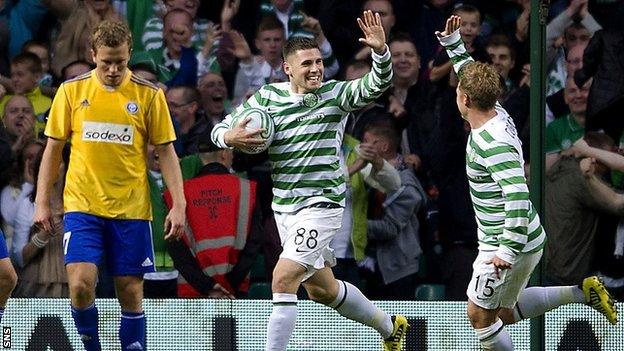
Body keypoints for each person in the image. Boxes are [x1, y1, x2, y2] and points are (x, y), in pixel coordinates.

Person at [211, 10, 407, 351]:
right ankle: (390, 327)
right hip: (286, 208)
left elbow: (377, 83)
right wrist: (231, 137)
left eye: (318, 62)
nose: (315, 69)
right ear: (288, 69)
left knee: (283, 277)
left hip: (322, 205)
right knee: (323, 291)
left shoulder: (334, 96)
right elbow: (218, 130)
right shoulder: (266, 100)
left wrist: (381, 53)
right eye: (307, 64)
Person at [436, 15, 618, 350]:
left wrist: (506, 248)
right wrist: (454, 47)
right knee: (503, 312)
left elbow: (518, 192)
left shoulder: (492, 143)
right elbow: (474, 79)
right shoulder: (495, 111)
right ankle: (581, 292)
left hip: (505, 243)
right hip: (523, 235)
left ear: (464, 100)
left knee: (479, 316)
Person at [33, 21, 186, 351]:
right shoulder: (71, 91)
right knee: (80, 287)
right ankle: (92, 347)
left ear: (129, 53)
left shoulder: (148, 95)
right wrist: (42, 201)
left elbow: (166, 152)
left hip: (131, 209)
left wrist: (179, 203)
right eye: (106, 62)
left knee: (130, 293)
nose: (114, 70)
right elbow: (53, 149)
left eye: (120, 61)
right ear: (92, 56)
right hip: (82, 206)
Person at [166, 131, 263, 298]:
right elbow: (254, 243)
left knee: (195, 326)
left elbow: (176, 249)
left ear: (199, 156)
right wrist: (229, 285)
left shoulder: (178, 195)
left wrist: (207, 287)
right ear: (225, 153)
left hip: (193, 294)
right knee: (230, 326)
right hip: (235, 290)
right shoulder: (247, 189)